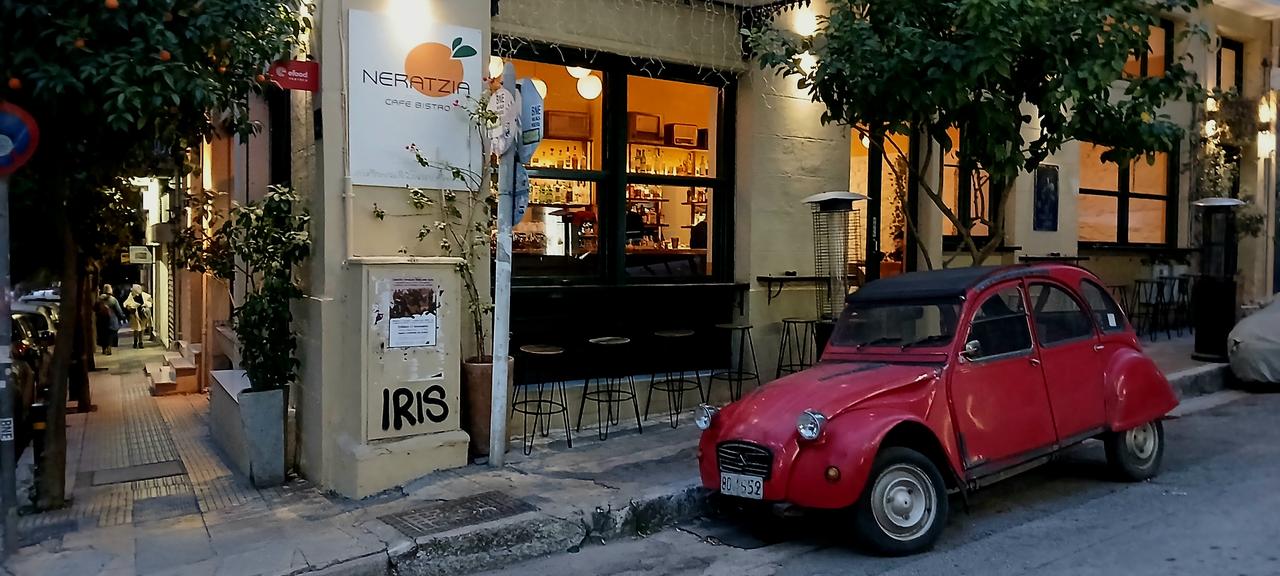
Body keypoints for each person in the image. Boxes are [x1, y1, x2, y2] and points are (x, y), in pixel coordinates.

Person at [95, 284, 126, 355]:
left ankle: (104, 349)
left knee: (102, 335)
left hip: (101, 320)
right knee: (110, 335)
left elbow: (95, 308)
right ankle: (109, 348)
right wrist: (122, 317)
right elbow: (118, 310)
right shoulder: (113, 300)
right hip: (111, 320)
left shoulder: (99, 299)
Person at [122, 284, 153, 349]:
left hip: (142, 313)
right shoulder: (131, 296)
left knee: (142, 328)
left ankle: (140, 342)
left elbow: (150, 301)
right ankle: (135, 341)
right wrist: (129, 307)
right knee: (136, 328)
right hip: (134, 314)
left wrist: (146, 305)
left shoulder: (144, 295)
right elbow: (125, 304)